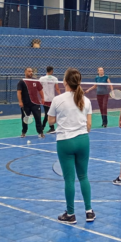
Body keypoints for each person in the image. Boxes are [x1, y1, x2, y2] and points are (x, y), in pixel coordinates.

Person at [47, 68, 95, 224]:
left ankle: (71, 214)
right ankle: (89, 212)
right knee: (83, 176)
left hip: (65, 142)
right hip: (83, 141)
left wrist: (63, 117)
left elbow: (50, 121)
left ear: (65, 82)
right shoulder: (86, 101)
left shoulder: (57, 100)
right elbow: (89, 126)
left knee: (69, 179)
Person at [17, 67, 44, 139]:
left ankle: (40, 132)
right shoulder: (22, 81)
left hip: (35, 103)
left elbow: (40, 90)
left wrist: (43, 98)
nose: (31, 72)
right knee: (25, 119)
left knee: (38, 118)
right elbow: (19, 92)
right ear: (25, 72)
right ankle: (24, 132)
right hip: (26, 104)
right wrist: (20, 101)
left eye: (31, 71)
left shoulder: (36, 81)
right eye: (29, 71)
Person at [39, 66, 60, 134]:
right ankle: (47, 127)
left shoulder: (42, 79)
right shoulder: (55, 78)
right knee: (49, 114)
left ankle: (44, 127)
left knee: (47, 114)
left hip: (45, 99)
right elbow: (57, 89)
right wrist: (61, 96)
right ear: (51, 71)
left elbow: (39, 88)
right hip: (52, 99)